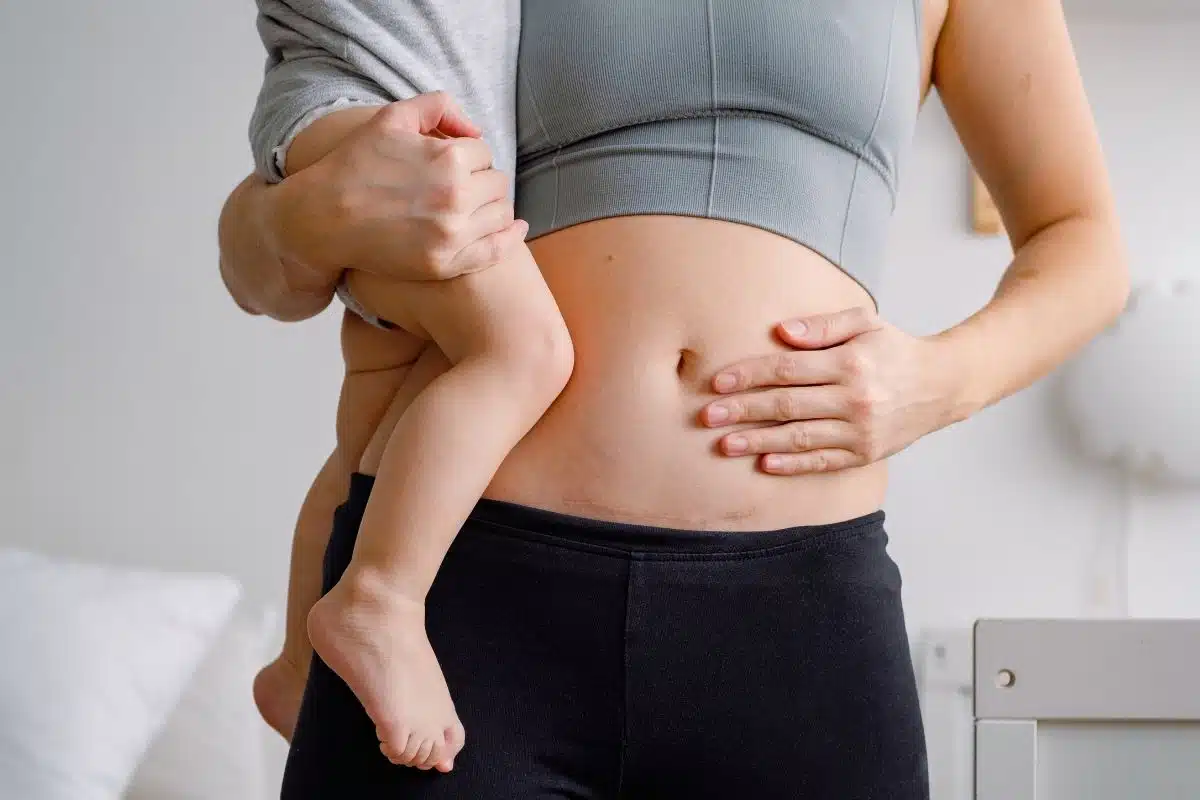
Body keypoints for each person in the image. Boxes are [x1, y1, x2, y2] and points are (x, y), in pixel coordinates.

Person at [221, 0, 1129, 797]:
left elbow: (1083, 242)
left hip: (798, 620)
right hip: (462, 599)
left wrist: (941, 382)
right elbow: (261, 251)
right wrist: (303, 213)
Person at [244, 0, 575, 773]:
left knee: (371, 440)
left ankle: (297, 666)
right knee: (527, 350)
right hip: (366, 124)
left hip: (413, 136)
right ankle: (380, 599)